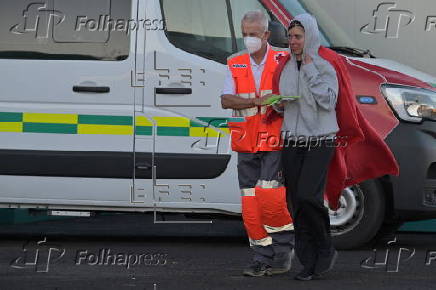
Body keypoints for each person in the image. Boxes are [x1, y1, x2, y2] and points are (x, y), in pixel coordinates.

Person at [221, 10, 294, 277]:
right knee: (250, 203)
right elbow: (226, 99)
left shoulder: (283, 59)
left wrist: (283, 102)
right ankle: (261, 256)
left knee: (271, 199)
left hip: (273, 140)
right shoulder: (235, 62)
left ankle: (282, 254)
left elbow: (293, 96)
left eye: (253, 34)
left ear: (266, 34)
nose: (248, 39)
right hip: (245, 142)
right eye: (245, 34)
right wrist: (256, 102)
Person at [272, 14, 339, 281]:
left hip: (321, 139)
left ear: (309, 37)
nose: (292, 42)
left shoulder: (325, 67)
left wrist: (310, 70)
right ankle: (308, 261)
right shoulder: (286, 67)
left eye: (297, 37)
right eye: (289, 37)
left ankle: (324, 247)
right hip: (292, 139)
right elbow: (289, 102)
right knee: (296, 202)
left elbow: (328, 102)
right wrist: (278, 104)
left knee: (309, 196)